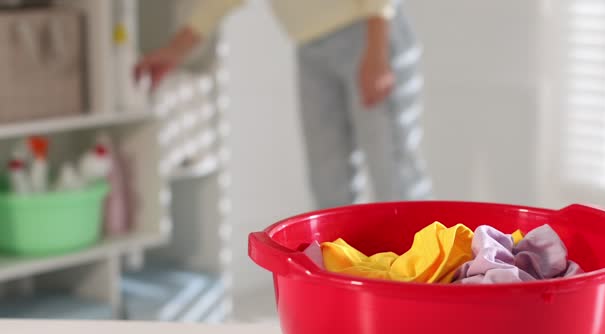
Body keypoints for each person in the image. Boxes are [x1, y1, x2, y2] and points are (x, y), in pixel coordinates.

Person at [135, 0, 432, 209]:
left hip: (370, 34)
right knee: (328, 182)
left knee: (392, 174)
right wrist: (173, 52)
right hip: (310, 50)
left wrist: (377, 49)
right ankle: (347, 285)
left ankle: (421, 290)